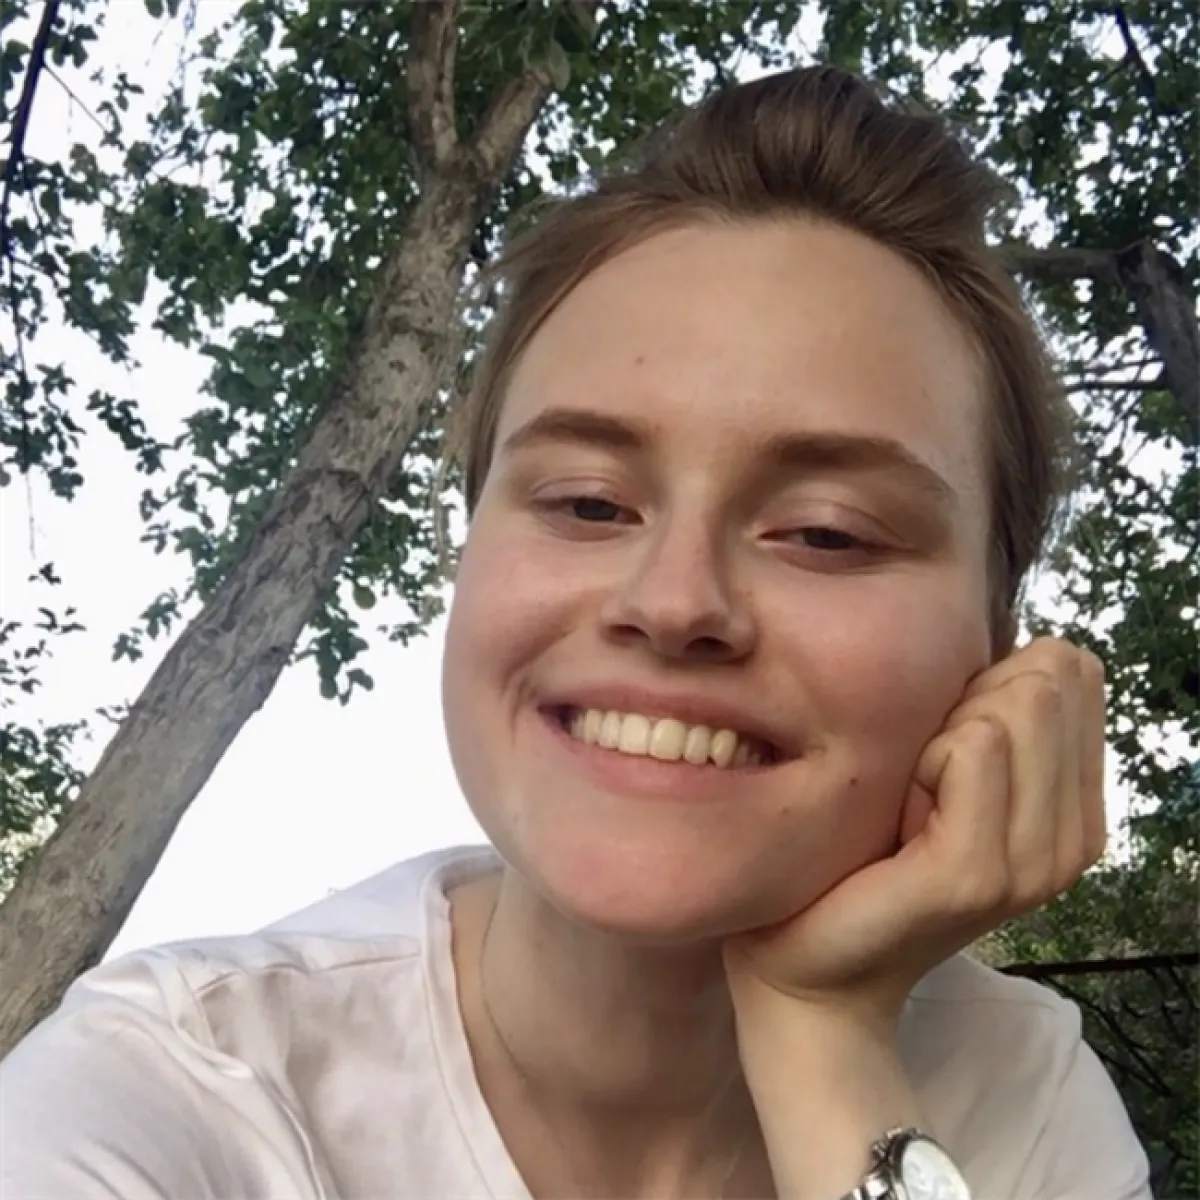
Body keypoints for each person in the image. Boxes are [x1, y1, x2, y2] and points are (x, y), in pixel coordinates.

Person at [0, 66, 1151, 1200]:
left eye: (825, 532)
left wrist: (826, 1043)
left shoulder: (1022, 1091)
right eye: (589, 505)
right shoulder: (161, 1103)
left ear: (998, 658)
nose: (674, 601)